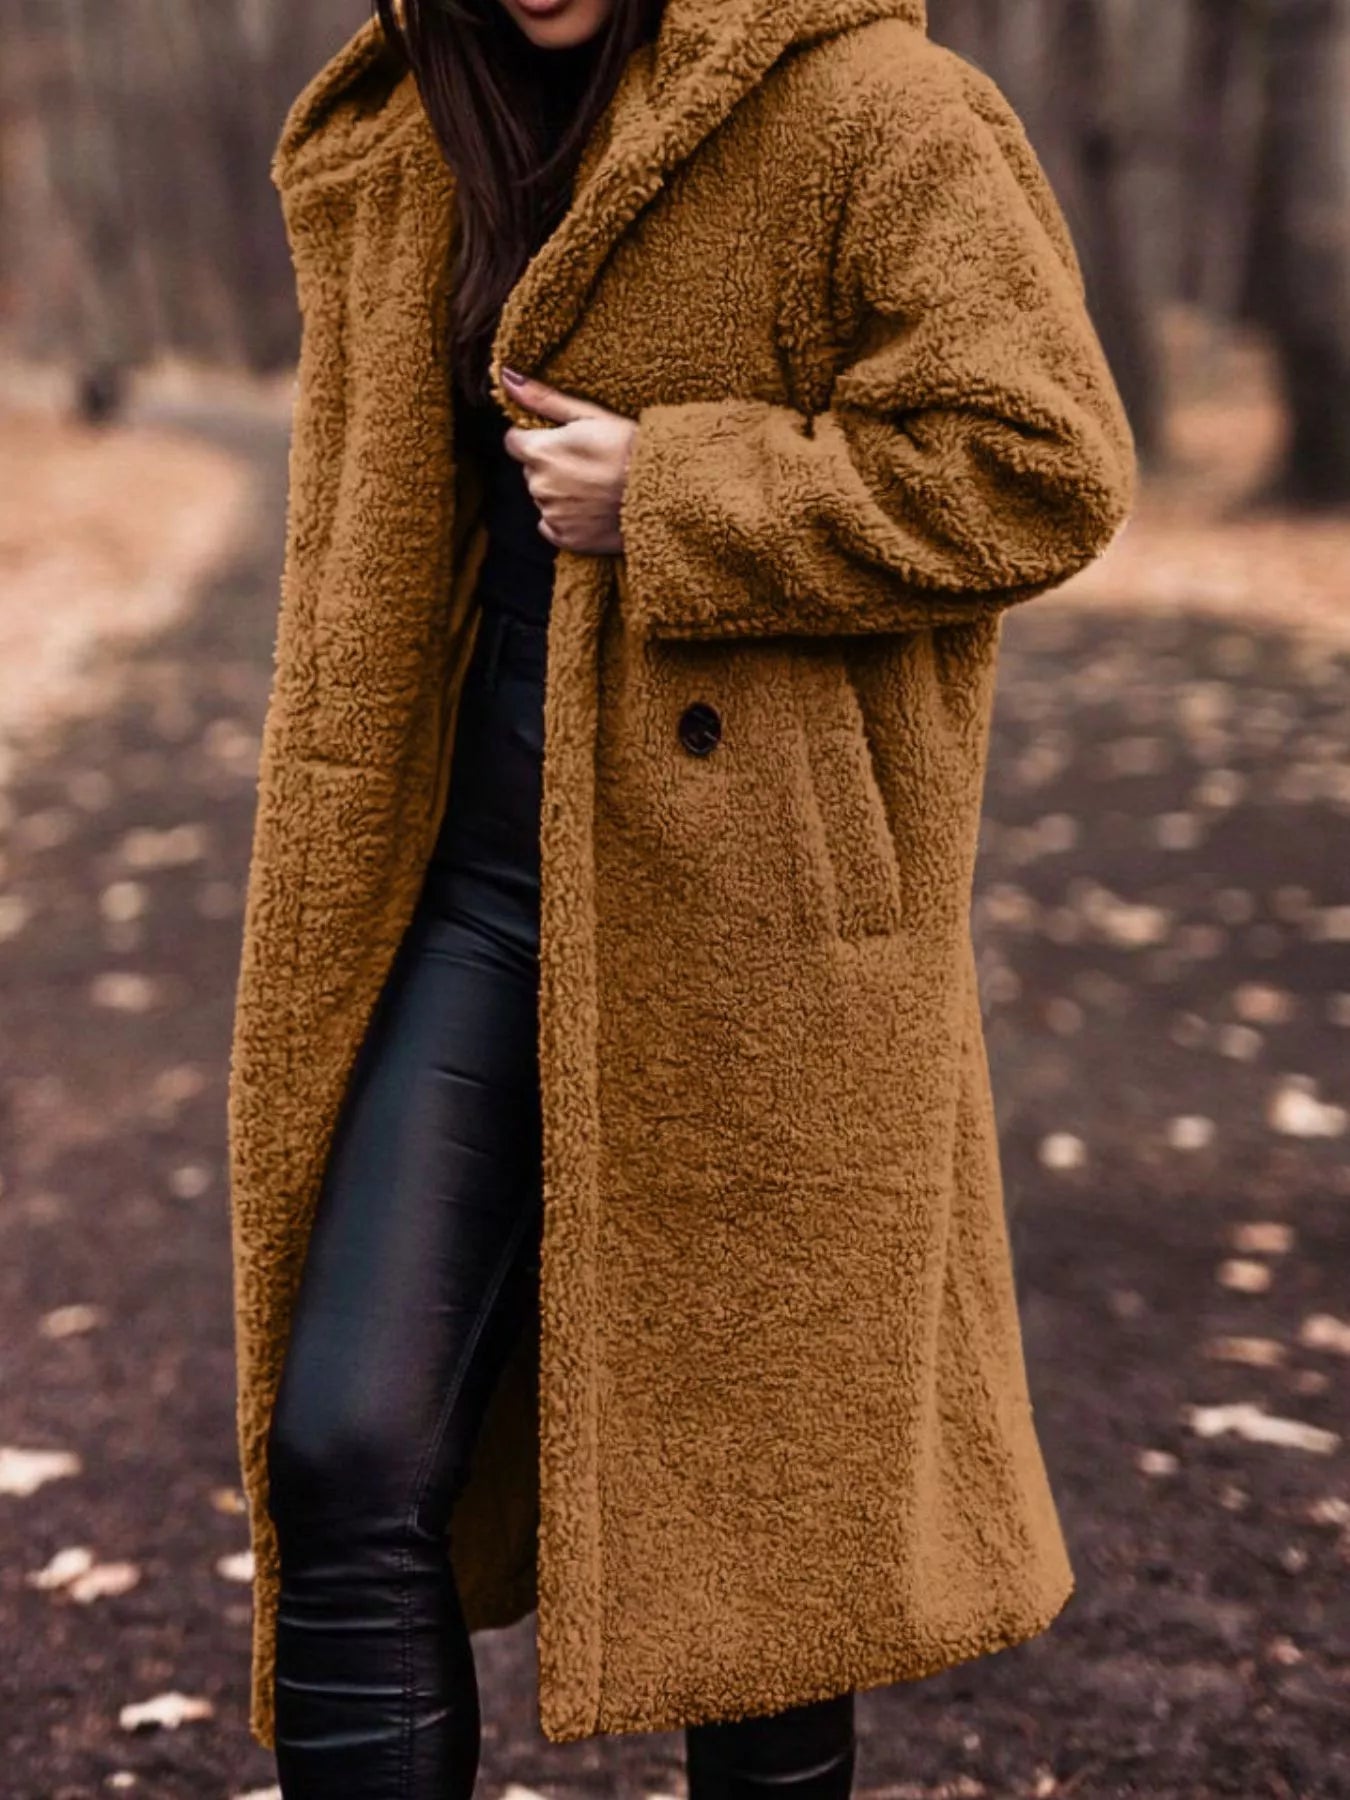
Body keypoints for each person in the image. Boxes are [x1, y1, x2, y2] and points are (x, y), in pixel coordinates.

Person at [229, 0, 1136, 1795]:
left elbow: (1043, 465)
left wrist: (685, 487)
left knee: (763, 1549)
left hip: (757, 909)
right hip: (461, 882)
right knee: (343, 1451)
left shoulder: (878, 112)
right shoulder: (415, 135)